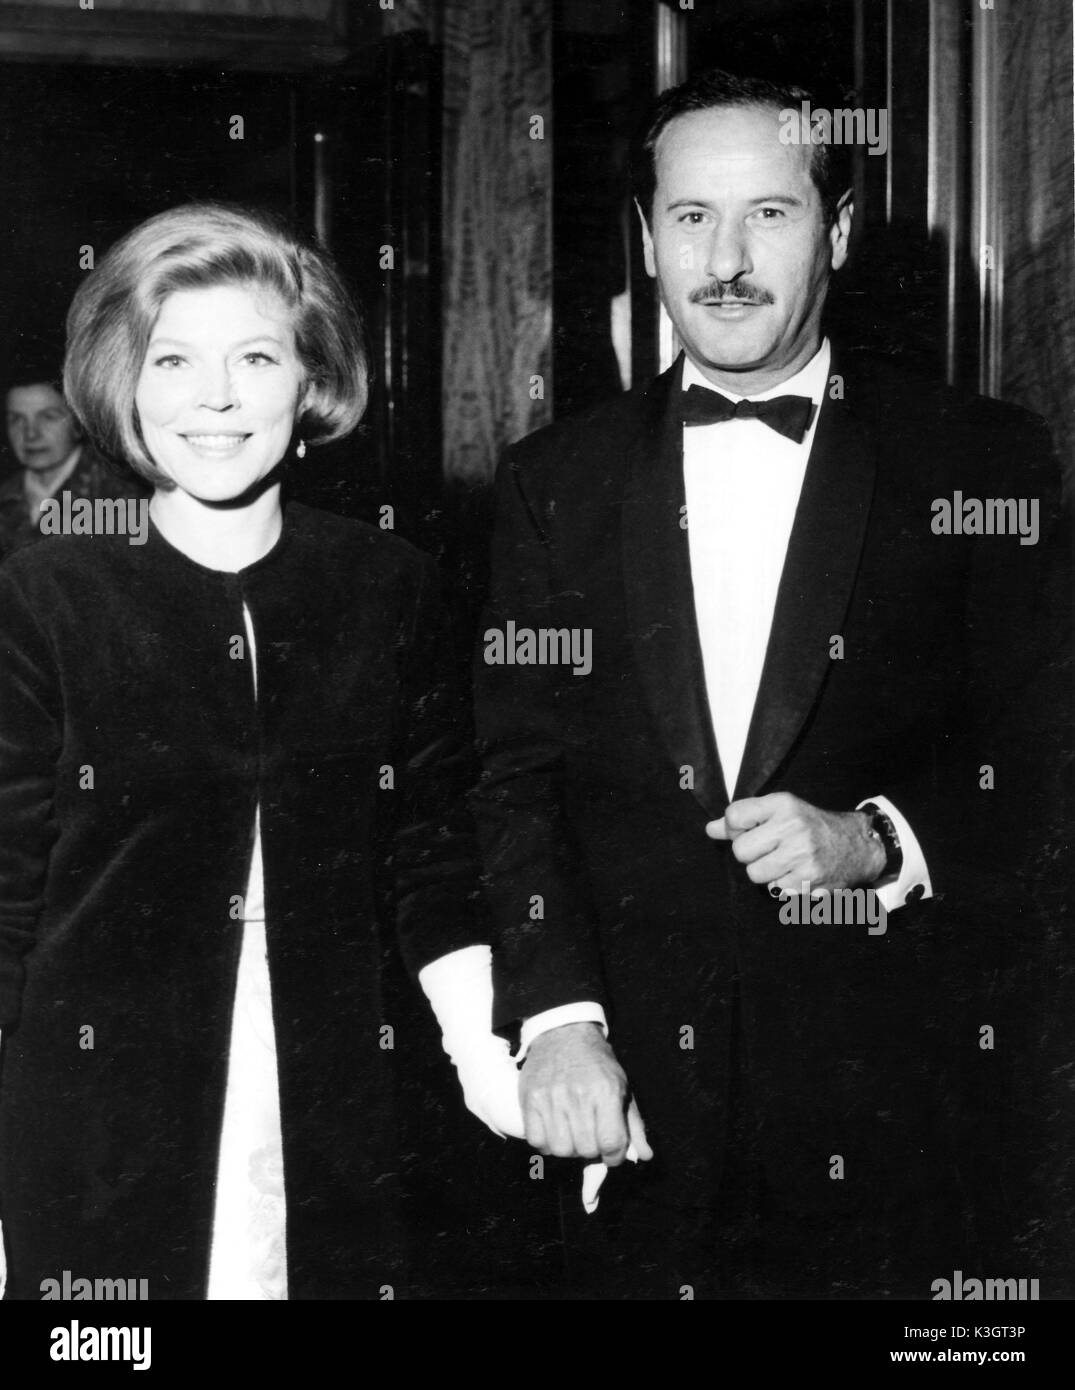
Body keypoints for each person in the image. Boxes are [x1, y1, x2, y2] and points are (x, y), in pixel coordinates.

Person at [470, 69, 1070, 1298]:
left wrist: (877, 842)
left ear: (838, 232)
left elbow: (1051, 754)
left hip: (900, 1118)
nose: (726, 259)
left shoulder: (978, 457)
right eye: (691, 218)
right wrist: (556, 1021)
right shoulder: (547, 483)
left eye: (771, 215)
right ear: (645, 238)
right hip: (628, 1122)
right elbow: (510, 781)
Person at [0, 202, 493, 1300]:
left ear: (309, 380)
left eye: (255, 356)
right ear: (125, 381)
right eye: (173, 359)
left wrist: (494, 1055)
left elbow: (435, 850)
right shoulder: (47, 593)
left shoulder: (390, 583)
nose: (214, 398)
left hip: (344, 1103)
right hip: (95, 1116)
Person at [0, 373, 145, 560]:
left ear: (78, 422)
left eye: (48, 417)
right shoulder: (5, 494)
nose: (30, 434)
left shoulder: (120, 496)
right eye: (17, 420)